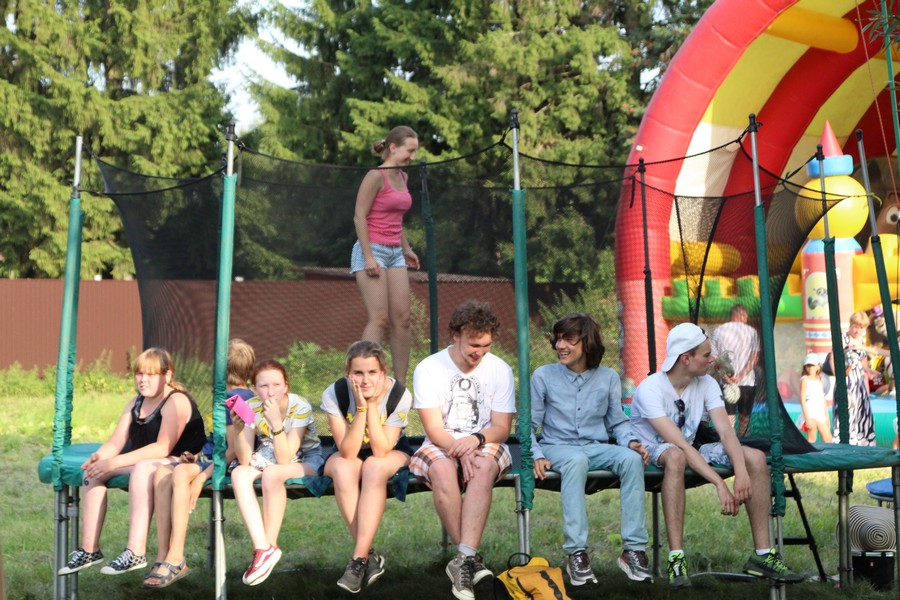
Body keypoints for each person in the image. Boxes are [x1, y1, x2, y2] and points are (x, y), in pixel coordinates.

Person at [630, 323, 802, 589]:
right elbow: (680, 446)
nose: (712, 359)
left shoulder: (707, 383)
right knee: (675, 457)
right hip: (652, 449)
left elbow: (725, 431)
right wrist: (720, 483)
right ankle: (676, 559)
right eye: (706, 354)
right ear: (685, 359)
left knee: (755, 457)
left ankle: (762, 555)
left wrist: (741, 473)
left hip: (689, 446)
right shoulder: (650, 389)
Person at [58, 348, 207, 576]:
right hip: (149, 460)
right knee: (93, 473)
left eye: (150, 374)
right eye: (139, 373)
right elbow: (116, 441)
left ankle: (135, 551)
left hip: (182, 460)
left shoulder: (176, 401)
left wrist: (114, 463)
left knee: (141, 468)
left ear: (167, 376)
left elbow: (162, 447)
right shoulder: (136, 402)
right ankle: (89, 549)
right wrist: (100, 457)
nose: (143, 379)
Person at [530, 313, 652, 586]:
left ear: (587, 343)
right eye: (558, 339)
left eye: (569, 340)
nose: (560, 345)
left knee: (631, 460)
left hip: (595, 447)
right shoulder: (543, 376)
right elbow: (527, 425)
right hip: (557, 447)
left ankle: (633, 550)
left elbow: (617, 422)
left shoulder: (608, 377)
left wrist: (631, 442)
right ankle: (577, 553)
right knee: (575, 460)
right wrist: (536, 454)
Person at [409, 300, 516, 600]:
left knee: (482, 467)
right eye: (473, 345)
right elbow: (433, 429)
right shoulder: (429, 368)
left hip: (485, 441)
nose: (479, 352)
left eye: (486, 345)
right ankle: (469, 558)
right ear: (455, 335)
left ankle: (463, 559)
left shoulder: (500, 369)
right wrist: (462, 448)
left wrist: (475, 441)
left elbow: (501, 428)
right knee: (442, 469)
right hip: (440, 442)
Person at [141, 338, 256, 589]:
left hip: (227, 465)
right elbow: (218, 443)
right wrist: (195, 457)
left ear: (219, 369)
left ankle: (176, 556)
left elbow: (233, 451)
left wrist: (202, 477)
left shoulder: (235, 400)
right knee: (161, 473)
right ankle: (162, 555)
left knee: (181, 473)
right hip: (209, 459)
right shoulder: (244, 394)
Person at [321, 341, 414, 593]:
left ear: (383, 372)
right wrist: (361, 407)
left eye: (372, 372)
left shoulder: (399, 394)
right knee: (343, 468)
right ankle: (367, 556)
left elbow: (381, 450)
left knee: (374, 465)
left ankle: (358, 559)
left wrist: (373, 405)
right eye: (358, 373)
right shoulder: (335, 393)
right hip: (349, 449)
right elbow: (348, 452)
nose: (365, 380)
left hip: (390, 450)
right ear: (348, 373)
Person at [231, 359, 324, 586]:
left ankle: (269, 546)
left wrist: (275, 423)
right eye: (263, 386)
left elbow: (285, 459)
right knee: (239, 473)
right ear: (254, 389)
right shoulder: (250, 406)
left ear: (286, 386)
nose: (271, 392)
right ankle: (262, 548)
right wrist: (239, 430)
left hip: (306, 459)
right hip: (267, 455)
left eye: (276, 385)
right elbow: (244, 458)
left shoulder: (299, 406)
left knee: (273, 473)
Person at [352, 125, 421, 384]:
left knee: (402, 320)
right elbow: (359, 217)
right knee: (379, 319)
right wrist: (369, 256)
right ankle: (361, 380)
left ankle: (399, 386)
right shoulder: (375, 176)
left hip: (395, 252)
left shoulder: (403, 177)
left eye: (415, 151)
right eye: (409, 151)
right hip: (373, 250)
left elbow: (395, 218)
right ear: (393, 147)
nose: (412, 156)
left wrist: (407, 248)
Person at [710, 304, 760, 436]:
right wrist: (741, 376)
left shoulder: (718, 331)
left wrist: (726, 377)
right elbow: (754, 357)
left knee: (729, 418)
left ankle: (729, 443)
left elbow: (714, 358)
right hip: (747, 381)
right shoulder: (752, 332)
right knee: (744, 418)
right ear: (742, 315)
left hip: (725, 383)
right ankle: (743, 442)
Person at [833, 311, 877, 446]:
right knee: (847, 411)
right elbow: (834, 357)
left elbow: (863, 364)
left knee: (862, 413)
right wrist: (838, 374)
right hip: (847, 381)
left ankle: (862, 443)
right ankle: (844, 442)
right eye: (856, 327)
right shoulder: (843, 338)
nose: (858, 331)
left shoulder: (861, 341)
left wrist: (869, 371)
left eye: (861, 328)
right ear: (851, 325)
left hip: (859, 383)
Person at [798, 353, 832, 444]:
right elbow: (802, 400)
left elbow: (823, 399)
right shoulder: (804, 380)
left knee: (828, 439)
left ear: (818, 366)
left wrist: (827, 417)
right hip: (810, 412)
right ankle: (809, 453)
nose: (810, 368)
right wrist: (807, 418)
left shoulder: (819, 380)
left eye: (812, 365)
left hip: (820, 413)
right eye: (808, 366)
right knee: (812, 438)